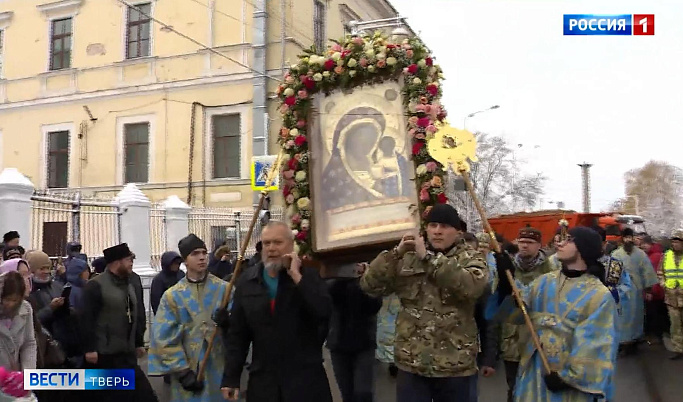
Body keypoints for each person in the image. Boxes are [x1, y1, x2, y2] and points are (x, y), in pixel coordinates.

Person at [361, 204, 487, 402]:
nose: (437, 231)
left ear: (457, 232)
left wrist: (428, 259)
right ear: (426, 229)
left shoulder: (470, 257)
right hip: (412, 364)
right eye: (433, 225)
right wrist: (395, 253)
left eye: (444, 226)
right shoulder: (408, 257)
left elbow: (472, 287)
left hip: (454, 367)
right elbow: (370, 285)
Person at [496, 226, 618, 402]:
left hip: (569, 383)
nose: (560, 243)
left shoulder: (598, 295)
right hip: (537, 373)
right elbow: (518, 313)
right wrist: (506, 285)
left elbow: (596, 343)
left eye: (569, 240)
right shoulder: (545, 282)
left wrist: (567, 378)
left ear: (584, 248)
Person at [221, 221, 333, 402]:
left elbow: (323, 311)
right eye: (266, 243)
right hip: (264, 382)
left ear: (291, 244)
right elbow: (238, 336)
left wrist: (297, 276)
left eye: (277, 243)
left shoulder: (308, 276)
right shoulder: (247, 282)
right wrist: (231, 378)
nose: (271, 248)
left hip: (305, 381)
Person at [149, 235, 230, 401]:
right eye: (195, 253)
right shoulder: (172, 296)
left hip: (219, 367)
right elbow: (163, 338)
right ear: (185, 260)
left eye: (204, 252)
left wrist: (229, 322)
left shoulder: (225, 289)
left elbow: (241, 329)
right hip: (188, 369)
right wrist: (182, 372)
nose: (201, 257)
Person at [81, 243, 157, 401]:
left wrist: (138, 342)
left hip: (127, 354)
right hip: (105, 356)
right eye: (129, 260)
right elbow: (86, 319)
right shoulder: (96, 286)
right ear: (116, 262)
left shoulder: (130, 283)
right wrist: (90, 348)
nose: (131, 263)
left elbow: (135, 314)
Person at [499, 227, 556, 402]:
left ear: (539, 245)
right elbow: (498, 303)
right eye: (522, 242)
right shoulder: (508, 268)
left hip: (538, 339)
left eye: (530, 243)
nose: (524, 246)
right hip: (512, 340)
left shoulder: (550, 270)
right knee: (514, 387)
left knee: (538, 387)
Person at [326, 263, 383, 402]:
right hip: (338, 343)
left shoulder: (368, 275)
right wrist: (342, 275)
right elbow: (329, 295)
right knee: (347, 394)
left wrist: (365, 279)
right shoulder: (333, 275)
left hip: (364, 343)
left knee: (363, 394)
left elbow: (373, 305)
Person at [611, 228, 658, 354]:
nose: (628, 240)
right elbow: (612, 274)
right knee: (621, 316)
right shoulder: (616, 254)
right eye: (625, 237)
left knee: (636, 316)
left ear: (633, 238)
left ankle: (634, 340)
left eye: (630, 237)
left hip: (636, 290)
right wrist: (612, 287)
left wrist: (648, 290)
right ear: (622, 238)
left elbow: (647, 272)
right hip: (621, 291)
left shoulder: (640, 254)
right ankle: (623, 341)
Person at [0, 270, 37, 371]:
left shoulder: (25, 309)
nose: (11, 304)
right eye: (7, 299)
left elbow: (29, 343)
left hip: (16, 378)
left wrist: (28, 372)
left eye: (15, 300)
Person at [660, 229, 683, 359]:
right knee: (675, 325)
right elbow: (660, 273)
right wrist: (664, 285)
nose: (674, 244)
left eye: (677, 242)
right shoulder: (666, 256)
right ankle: (678, 350)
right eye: (673, 242)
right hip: (672, 298)